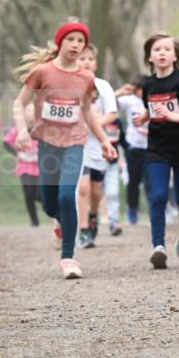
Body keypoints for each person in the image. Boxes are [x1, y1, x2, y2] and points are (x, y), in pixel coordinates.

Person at [12, 22, 117, 279]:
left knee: (68, 196)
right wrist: (23, 131)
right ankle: (63, 222)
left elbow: (87, 111)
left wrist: (104, 140)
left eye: (80, 41)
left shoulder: (86, 77)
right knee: (50, 205)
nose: (75, 45)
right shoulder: (42, 72)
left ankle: (68, 258)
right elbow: (19, 102)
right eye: (70, 39)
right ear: (60, 42)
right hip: (47, 144)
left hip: (74, 142)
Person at [132, 33, 179, 269]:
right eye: (157, 50)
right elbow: (151, 109)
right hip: (157, 147)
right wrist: (143, 116)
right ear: (149, 57)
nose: (162, 53)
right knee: (158, 195)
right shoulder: (147, 85)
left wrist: (173, 116)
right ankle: (158, 247)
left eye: (167, 49)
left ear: (176, 55)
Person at [76, 44, 118, 248]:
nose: (86, 62)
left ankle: (93, 216)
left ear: (96, 62)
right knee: (82, 187)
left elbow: (112, 113)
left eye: (90, 59)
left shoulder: (103, 86)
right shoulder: (69, 85)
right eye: (81, 58)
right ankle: (83, 229)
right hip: (77, 143)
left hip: (98, 143)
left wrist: (92, 126)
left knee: (95, 189)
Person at [115, 75, 149, 224]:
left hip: (151, 147)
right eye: (138, 89)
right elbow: (109, 104)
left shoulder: (153, 100)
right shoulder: (130, 101)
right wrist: (120, 92)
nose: (140, 92)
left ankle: (157, 210)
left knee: (151, 181)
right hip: (133, 147)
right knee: (133, 182)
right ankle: (132, 210)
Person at [3, 104, 43, 227]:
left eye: (33, 110)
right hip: (24, 166)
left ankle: (52, 207)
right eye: (29, 111)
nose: (31, 113)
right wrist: (17, 152)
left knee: (39, 194)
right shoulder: (18, 129)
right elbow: (6, 142)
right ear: (24, 114)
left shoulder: (41, 128)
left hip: (40, 167)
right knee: (29, 192)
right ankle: (34, 221)